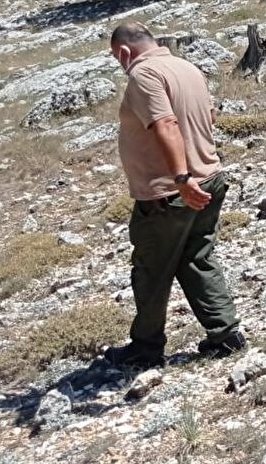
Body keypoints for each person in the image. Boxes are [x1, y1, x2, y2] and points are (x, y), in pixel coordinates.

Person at [102, 22, 244, 368]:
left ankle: (145, 349)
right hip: (209, 177)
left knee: (151, 270)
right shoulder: (186, 67)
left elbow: (165, 123)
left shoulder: (144, 75)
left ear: (123, 51)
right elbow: (208, 115)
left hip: (171, 191)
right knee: (197, 257)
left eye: (116, 58)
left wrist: (181, 177)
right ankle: (225, 335)